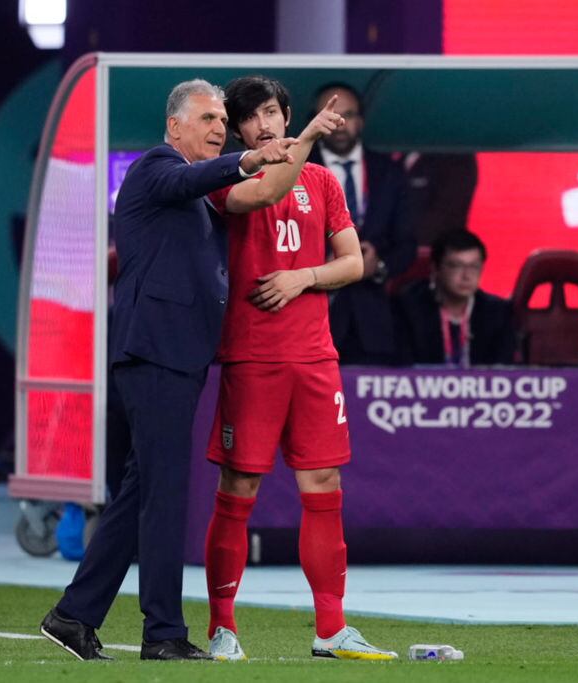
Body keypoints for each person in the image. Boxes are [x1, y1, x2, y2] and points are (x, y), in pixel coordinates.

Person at [39, 79, 301, 662]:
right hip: (154, 351)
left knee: (143, 492)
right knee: (165, 496)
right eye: (206, 118)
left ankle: (74, 615)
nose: (217, 128)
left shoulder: (195, 194)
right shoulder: (155, 168)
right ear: (174, 126)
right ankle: (162, 634)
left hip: (174, 354)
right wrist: (249, 158)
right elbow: (192, 178)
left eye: (221, 121)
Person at [203, 75, 398, 661]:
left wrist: (302, 277)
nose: (262, 125)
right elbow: (263, 194)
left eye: (270, 112)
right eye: (249, 119)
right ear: (237, 131)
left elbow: (353, 264)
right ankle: (223, 629)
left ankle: (331, 630)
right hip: (252, 356)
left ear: (283, 112)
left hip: (315, 358)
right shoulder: (226, 176)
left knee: (324, 486)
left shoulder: (322, 181)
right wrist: (309, 135)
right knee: (240, 488)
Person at [307, 82, 415, 365]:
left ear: (361, 120)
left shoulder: (389, 171)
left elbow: (407, 243)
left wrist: (377, 266)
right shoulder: (296, 168)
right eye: (331, 116)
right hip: (312, 319)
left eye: (348, 114)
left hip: (374, 321)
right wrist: (324, 265)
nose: (340, 124)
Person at [392, 229, 514, 366]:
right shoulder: (408, 308)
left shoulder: (497, 312)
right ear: (436, 269)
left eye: (474, 267)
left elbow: (502, 370)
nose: (467, 276)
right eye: (457, 266)